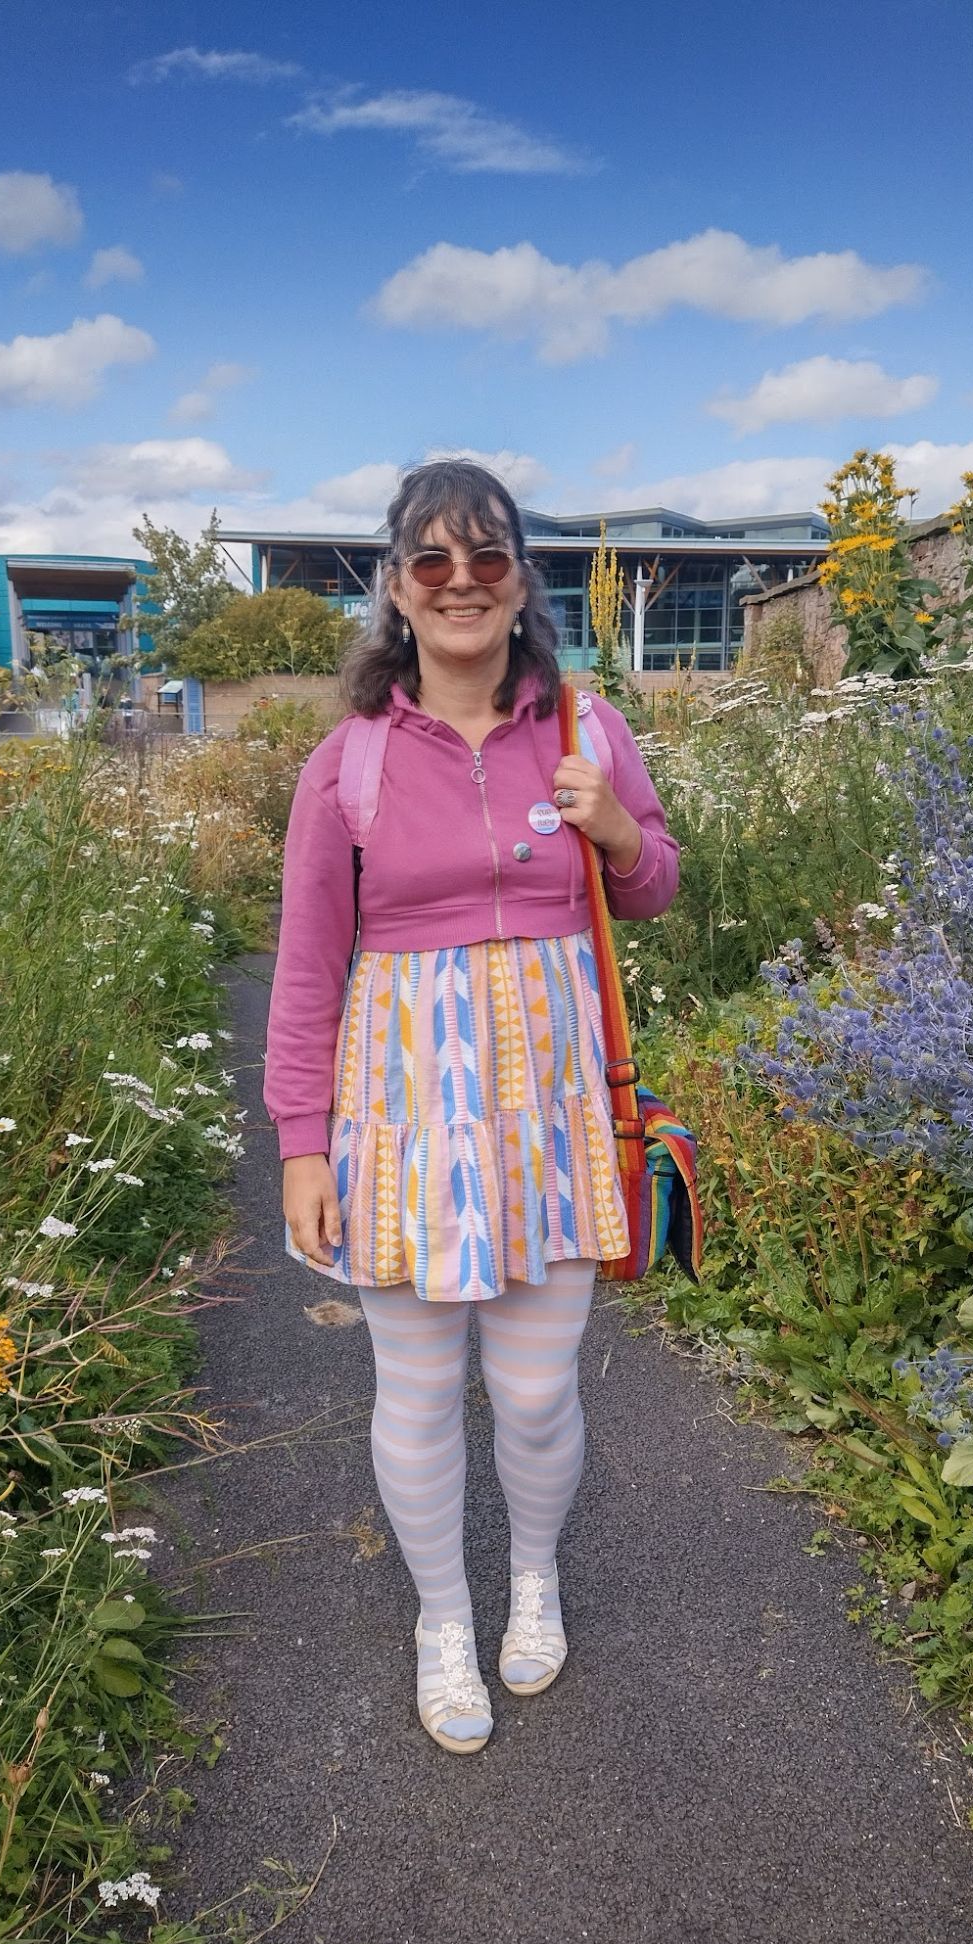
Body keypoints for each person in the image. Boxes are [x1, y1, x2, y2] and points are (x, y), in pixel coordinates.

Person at [263, 459, 679, 1754]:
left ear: (519, 581)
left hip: (551, 1109)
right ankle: (446, 1616)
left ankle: (535, 1579)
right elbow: (305, 965)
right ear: (396, 587)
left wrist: (613, 824)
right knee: (418, 1393)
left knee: (543, 1395)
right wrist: (301, 1145)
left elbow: (656, 886)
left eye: (486, 558)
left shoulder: (588, 730)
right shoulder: (351, 765)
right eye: (432, 562)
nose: (460, 584)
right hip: (404, 1113)